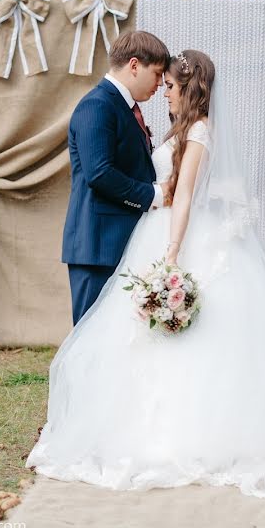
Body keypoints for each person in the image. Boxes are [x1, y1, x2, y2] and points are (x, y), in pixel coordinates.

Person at [30, 49, 265, 498]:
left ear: (187, 88)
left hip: (180, 235)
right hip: (157, 228)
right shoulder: (176, 127)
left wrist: (172, 254)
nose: (164, 92)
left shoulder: (199, 130)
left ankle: (187, 430)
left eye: (169, 86)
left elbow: (186, 195)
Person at [62, 31, 171, 325]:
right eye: (158, 73)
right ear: (134, 65)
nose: (160, 84)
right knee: (89, 332)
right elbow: (100, 173)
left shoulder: (123, 107)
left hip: (119, 240)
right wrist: (155, 195)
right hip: (97, 244)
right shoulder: (97, 105)